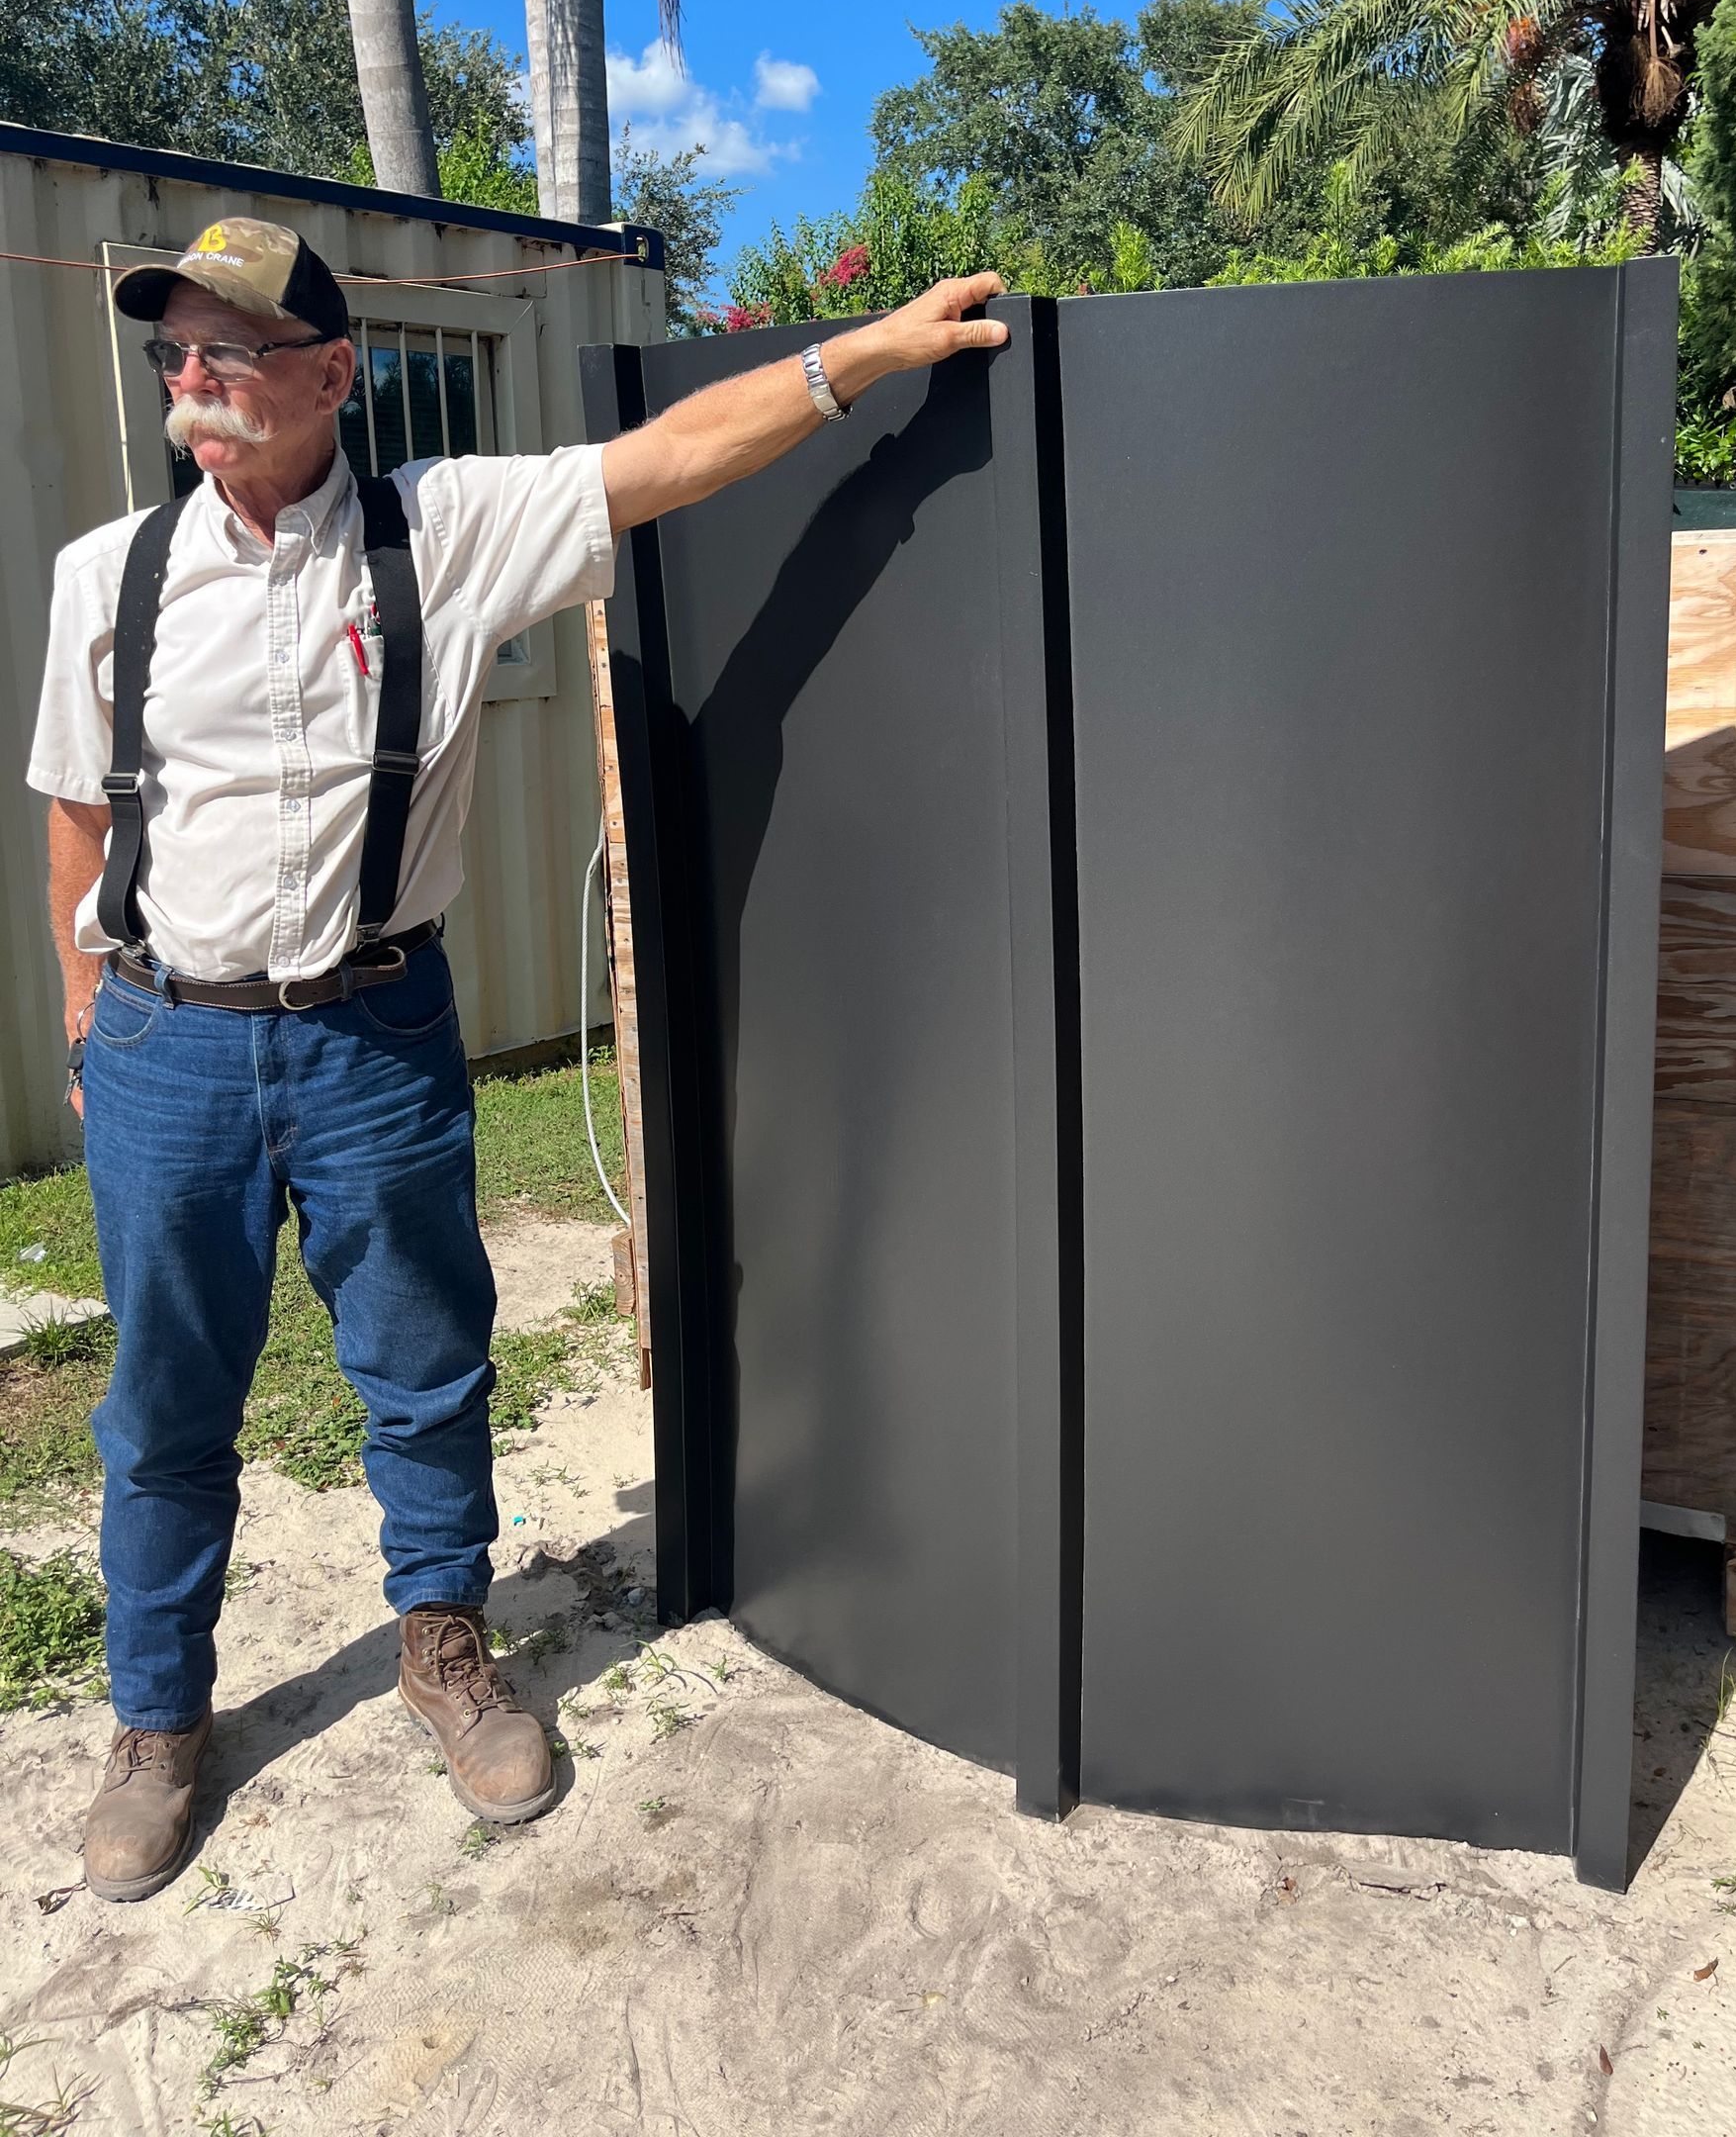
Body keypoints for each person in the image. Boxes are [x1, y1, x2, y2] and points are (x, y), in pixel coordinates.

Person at [28, 216, 1008, 1902]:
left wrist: (870, 357)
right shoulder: (104, 576)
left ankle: (444, 1646)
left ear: (334, 375)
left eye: (233, 349)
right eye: (176, 348)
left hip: (377, 1034)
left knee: (424, 1362)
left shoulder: (448, 529)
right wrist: (81, 1019)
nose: (194, 377)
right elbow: (71, 806)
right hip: (168, 1041)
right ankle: (156, 1721)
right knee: (166, 1400)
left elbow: (672, 456)